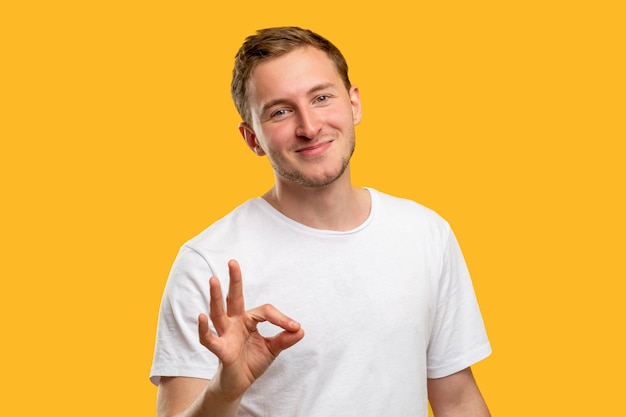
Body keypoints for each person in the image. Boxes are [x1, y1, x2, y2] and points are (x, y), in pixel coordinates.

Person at [150, 26, 492, 417]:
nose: (309, 127)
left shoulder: (426, 234)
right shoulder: (208, 264)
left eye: (321, 98)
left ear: (354, 104)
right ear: (253, 139)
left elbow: (458, 401)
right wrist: (224, 393)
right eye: (280, 111)